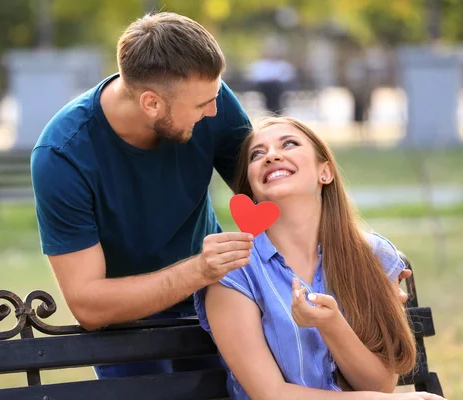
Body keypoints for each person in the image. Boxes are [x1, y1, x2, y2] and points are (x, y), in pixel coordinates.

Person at [30, 12, 255, 379]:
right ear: (151, 103)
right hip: (126, 320)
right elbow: (88, 304)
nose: (214, 112)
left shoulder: (209, 96)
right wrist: (199, 269)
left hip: (217, 299)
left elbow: (268, 193)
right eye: (202, 106)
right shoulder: (62, 156)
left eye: (214, 97)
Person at [194, 116, 446, 400]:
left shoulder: (373, 255)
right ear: (251, 187)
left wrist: (330, 324)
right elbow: (271, 394)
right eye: (257, 154)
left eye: (288, 144)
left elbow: (380, 385)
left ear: (324, 172)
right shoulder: (233, 270)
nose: (272, 156)